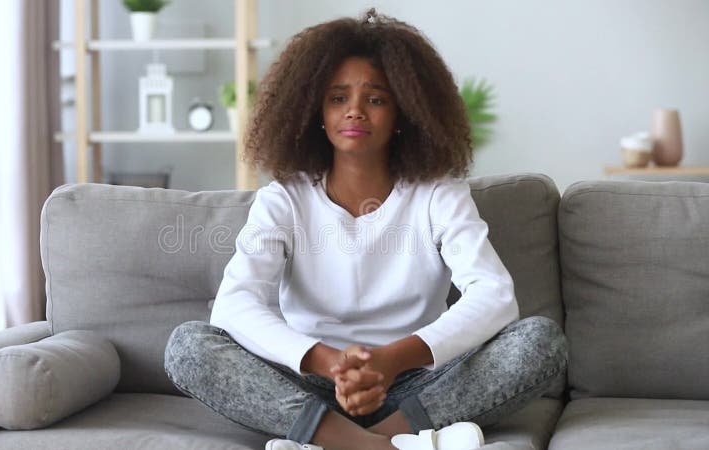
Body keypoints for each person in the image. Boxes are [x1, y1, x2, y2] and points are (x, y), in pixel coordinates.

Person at [164, 8, 567, 450]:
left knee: (540, 342)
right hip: (309, 385)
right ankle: (380, 446)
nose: (354, 111)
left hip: (415, 385)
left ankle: (337, 441)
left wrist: (390, 362)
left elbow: (493, 295)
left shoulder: (437, 194)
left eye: (375, 99)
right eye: (338, 98)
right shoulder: (284, 198)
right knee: (189, 346)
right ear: (315, 109)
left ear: (404, 112)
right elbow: (235, 303)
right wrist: (331, 363)